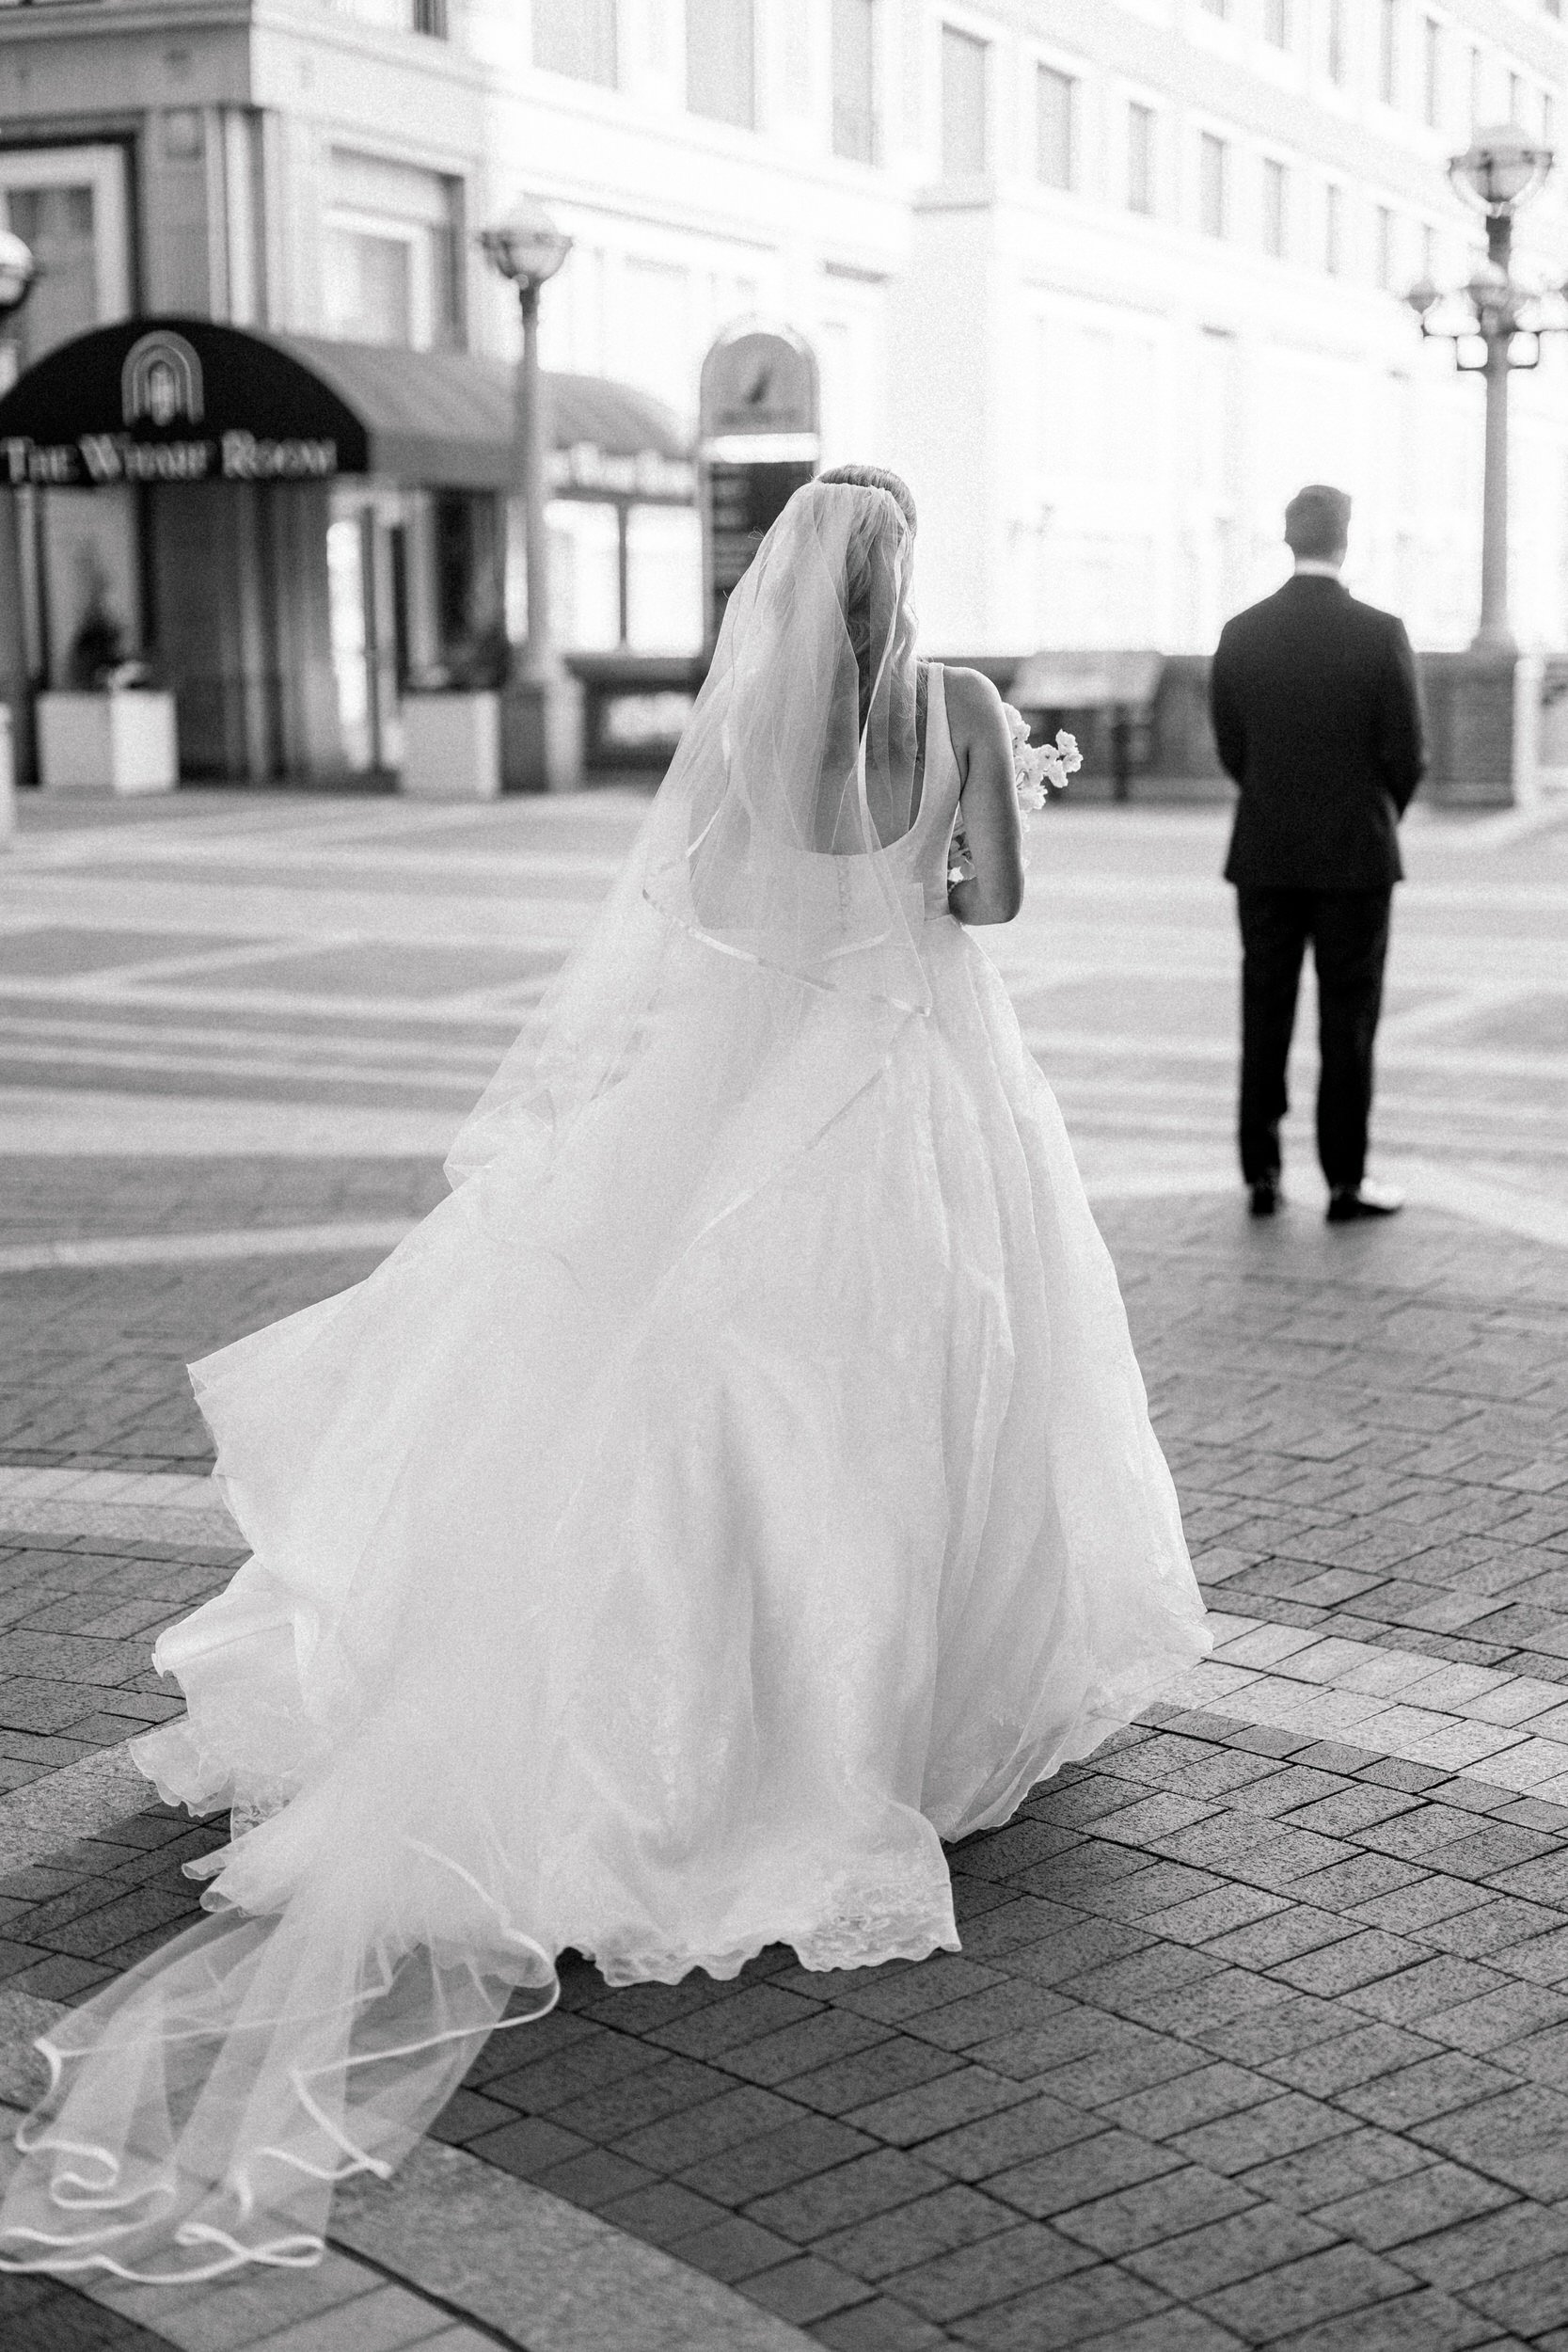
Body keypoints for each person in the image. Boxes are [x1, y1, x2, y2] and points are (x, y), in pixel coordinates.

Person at [0, 469, 1209, 2283]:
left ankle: (705, 1705)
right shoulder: (956, 709)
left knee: (713, 1395)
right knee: (937, 1384)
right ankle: (882, 1708)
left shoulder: (757, 735)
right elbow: (993, 910)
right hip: (927, 1090)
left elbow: (712, 907)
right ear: (907, 576)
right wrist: (972, 820)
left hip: (766, 1088)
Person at [1210, 484, 1426, 1224]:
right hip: (1356, 859)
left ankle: (1262, 1175)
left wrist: (1272, 801)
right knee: (1348, 1019)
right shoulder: (1380, 632)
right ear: (1345, 539)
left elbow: (1229, 745)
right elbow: (1408, 753)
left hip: (1264, 851)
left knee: (1262, 1010)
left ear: (1285, 536)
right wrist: (1371, 814)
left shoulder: (1241, 631)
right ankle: (1343, 1181)